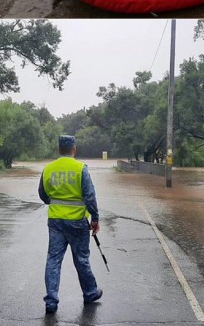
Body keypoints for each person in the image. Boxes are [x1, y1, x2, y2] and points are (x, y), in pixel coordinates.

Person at [39, 135, 102, 315]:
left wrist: (55, 202)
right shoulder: (80, 168)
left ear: (59, 150)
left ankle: (51, 301)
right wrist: (95, 218)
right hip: (77, 222)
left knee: (53, 259)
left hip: (56, 221)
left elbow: (42, 194)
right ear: (74, 150)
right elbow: (90, 196)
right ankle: (90, 293)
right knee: (81, 258)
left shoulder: (48, 168)